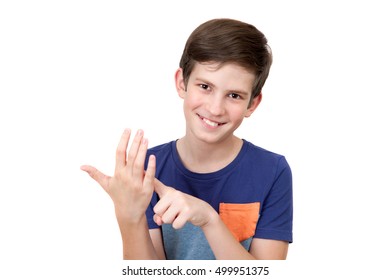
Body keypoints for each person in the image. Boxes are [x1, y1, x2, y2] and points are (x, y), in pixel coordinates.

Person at [81, 18, 293, 260]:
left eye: (234, 95)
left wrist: (209, 219)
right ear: (182, 83)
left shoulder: (273, 171)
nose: (215, 109)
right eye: (205, 86)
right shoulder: (149, 169)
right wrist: (128, 218)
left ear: (252, 103)